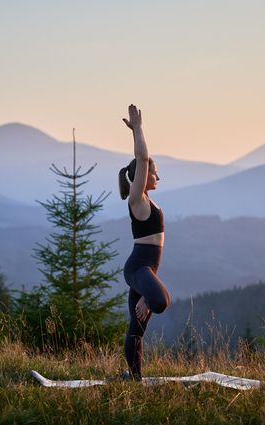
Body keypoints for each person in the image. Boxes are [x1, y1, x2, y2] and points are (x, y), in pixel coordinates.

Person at [118, 104, 171, 381]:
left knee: (136, 330)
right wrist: (138, 128)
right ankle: (133, 376)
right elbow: (142, 155)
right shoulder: (136, 200)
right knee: (160, 301)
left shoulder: (147, 200)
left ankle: (134, 379)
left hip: (146, 270)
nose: (157, 176)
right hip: (139, 268)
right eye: (154, 172)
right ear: (141, 175)